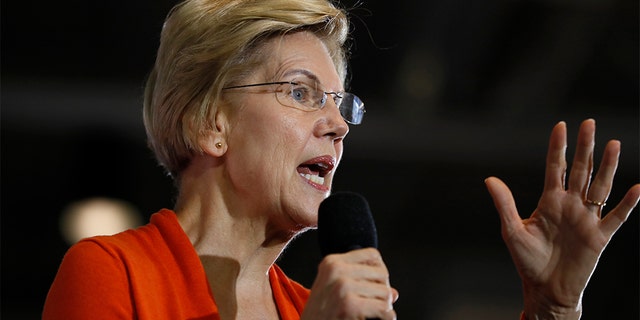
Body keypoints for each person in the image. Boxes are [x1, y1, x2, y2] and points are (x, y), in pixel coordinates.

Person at [42, 0, 640, 319]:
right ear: (209, 123)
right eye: (300, 93)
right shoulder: (111, 274)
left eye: (340, 105)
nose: (335, 126)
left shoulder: (317, 309)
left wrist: (552, 310)